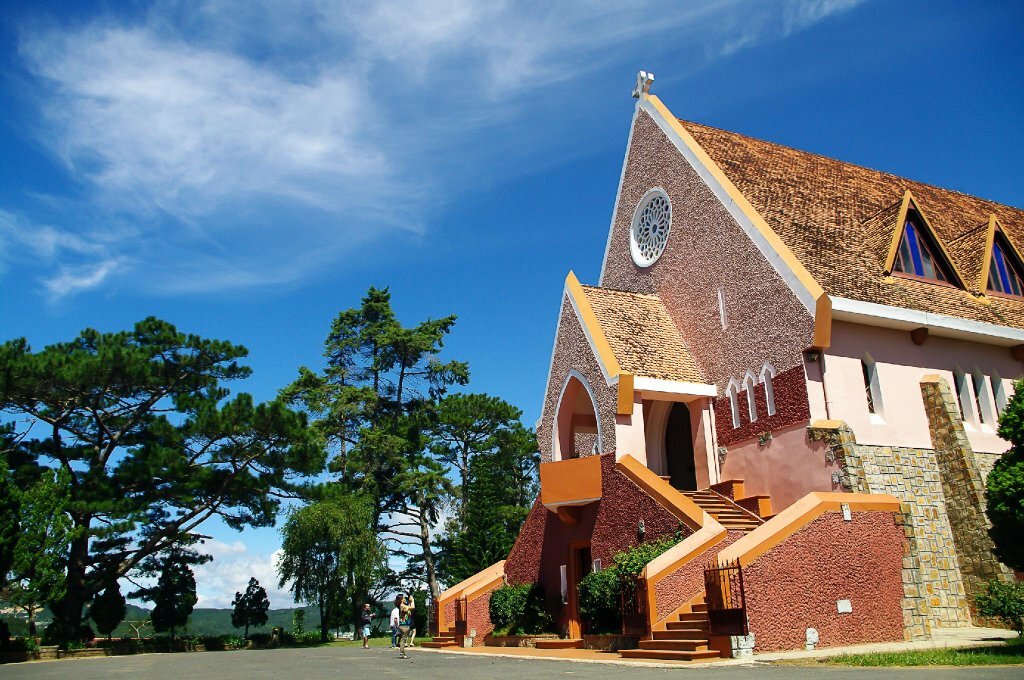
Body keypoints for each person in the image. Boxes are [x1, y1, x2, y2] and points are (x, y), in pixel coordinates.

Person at [398, 592, 415, 659]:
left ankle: (402, 653)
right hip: (404, 625)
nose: (405, 599)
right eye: (404, 598)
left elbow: (410, 610)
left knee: (403, 639)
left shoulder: (403, 606)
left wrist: (410, 602)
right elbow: (413, 607)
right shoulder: (402, 605)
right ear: (401, 599)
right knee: (403, 640)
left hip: (403, 624)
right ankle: (402, 653)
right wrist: (412, 600)